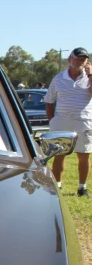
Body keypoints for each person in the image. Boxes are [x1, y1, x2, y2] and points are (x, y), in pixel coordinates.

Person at [45, 47, 92, 198]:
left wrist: (90, 74)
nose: (79, 62)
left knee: (84, 156)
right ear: (69, 60)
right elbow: (49, 101)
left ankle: (82, 188)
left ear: (87, 62)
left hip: (83, 122)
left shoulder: (89, 77)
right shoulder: (58, 78)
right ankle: (57, 186)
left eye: (83, 59)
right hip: (61, 122)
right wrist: (52, 120)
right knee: (59, 155)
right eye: (77, 58)